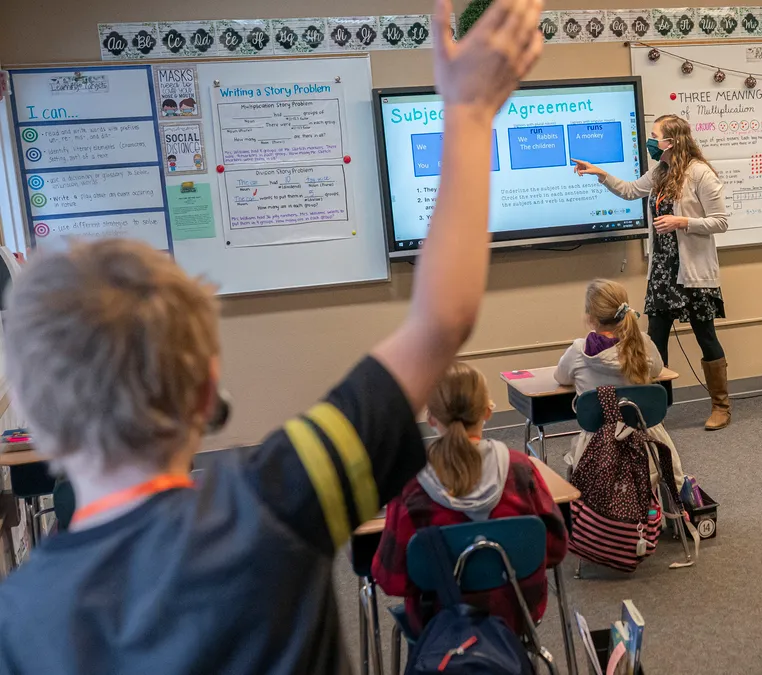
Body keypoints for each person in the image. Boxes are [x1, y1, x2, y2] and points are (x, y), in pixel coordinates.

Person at [0, 0, 545, 671]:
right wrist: (467, 114)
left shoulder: (17, 617)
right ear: (206, 390)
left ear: (28, 411)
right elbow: (441, 321)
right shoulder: (273, 500)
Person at [372, 362, 567, 633]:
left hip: (438, 622)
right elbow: (554, 548)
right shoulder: (520, 470)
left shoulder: (410, 487)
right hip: (515, 615)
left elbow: (392, 578)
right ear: (487, 412)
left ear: (430, 418)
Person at [571, 115, 732, 430]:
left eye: (655, 136)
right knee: (655, 340)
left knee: (705, 336)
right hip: (662, 271)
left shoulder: (700, 174)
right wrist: (601, 174)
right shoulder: (661, 171)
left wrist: (682, 222)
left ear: (670, 142)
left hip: (693, 273)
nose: (651, 141)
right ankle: (652, 410)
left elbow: (721, 222)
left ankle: (721, 406)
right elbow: (631, 191)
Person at [554, 278, 685, 491]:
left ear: (590, 317)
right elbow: (658, 370)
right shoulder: (643, 344)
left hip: (598, 448)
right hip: (647, 445)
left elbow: (561, 377)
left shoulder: (579, 351)